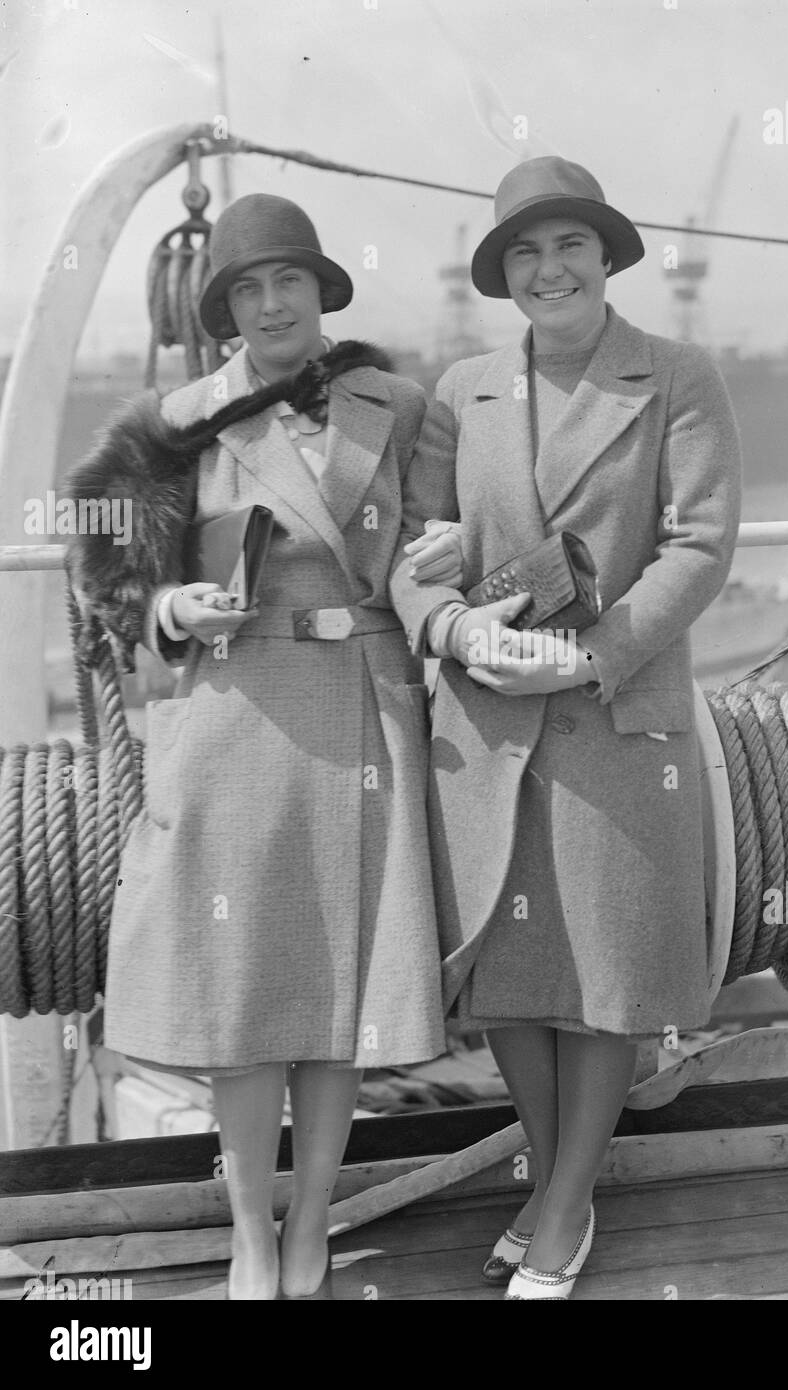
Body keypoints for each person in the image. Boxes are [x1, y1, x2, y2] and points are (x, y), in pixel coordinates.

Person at [67, 193, 460, 1299]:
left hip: (361, 705)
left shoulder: (402, 404)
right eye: (249, 286)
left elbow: (435, 554)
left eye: (289, 278)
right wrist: (169, 607)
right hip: (232, 717)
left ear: (322, 290)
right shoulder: (177, 419)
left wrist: (461, 581)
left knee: (336, 994)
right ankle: (250, 1229)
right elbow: (107, 572)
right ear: (227, 306)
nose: (271, 301)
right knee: (241, 998)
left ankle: (310, 1227)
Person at [392, 157, 742, 1299]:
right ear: (504, 275)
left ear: (604, 258)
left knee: (603, 974)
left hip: (611, 712)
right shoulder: (460, 389)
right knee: (510, 971)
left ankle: (562, 1209)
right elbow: (414, 550)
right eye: (526, 254)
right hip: (487, 718)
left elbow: (698, 546)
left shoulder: (677, 376)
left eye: (569, 248)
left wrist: (593, 653)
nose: (549, 271)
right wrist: (450, 629)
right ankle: (554, 1184)